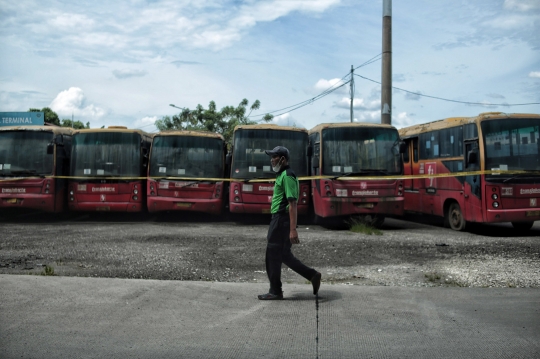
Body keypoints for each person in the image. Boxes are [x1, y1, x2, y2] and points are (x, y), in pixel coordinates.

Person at [258, 146, 321, 300]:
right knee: (283, 254)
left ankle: (275, 291)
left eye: (274, 157)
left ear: (283, 159)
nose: (271, 160)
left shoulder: (287, 175)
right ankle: (312, 275)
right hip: (280, 219)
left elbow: (292, 204)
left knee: (272, 255)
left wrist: (293, 229)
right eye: (271, 156)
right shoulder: (282, 174)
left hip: (281, 221)